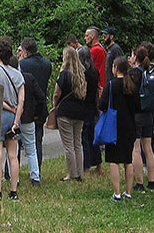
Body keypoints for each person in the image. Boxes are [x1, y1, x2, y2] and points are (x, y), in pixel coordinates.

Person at [0, 38, 25, 200]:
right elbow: (21, 100)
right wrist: (16, 120)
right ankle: (14, 191)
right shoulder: (18, 75)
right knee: (13, 155)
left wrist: (7, 107)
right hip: (13, 119)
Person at [53, 46, 96, 182]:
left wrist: (55, 105)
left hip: (65, 111)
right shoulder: (81, 74)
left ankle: (71, 173)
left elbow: (57, 93)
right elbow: (84, 93)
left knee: (68, 145)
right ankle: (79, 173)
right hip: (80, 111)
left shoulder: (64, 74)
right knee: (78, 143)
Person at [99, 57, 139, 201]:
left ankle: (117, 192)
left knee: (114, 160)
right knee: (128, 160)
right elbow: (137, 106)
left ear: (115, 68)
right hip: (129, 126)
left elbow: (102, 105)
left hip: (113, 126)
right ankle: (128, 192)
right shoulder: (131, 85)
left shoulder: (111, 85)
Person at [18, 37, 52, 179]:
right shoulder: (47, 64)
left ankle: (13, 171)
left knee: (18, 141)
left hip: (25, 107)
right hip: (40, 106)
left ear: (25, 52)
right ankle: (37, 171)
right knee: (37, 140)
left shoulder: (23, 65)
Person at [129, 43, 154, 192]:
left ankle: (139, 182)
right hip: (149, 113)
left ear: (136, 57)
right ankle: (151, 181)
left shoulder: (134, 73)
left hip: (137, 114)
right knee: (148, 148)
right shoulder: (150, 72)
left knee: (136, 149)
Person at [83, 27, 107, 174]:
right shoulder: (102, 50)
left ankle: (87, 164)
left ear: (92, 36)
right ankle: (97, 164)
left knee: (87, 132)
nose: (85, 38)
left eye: (87, 35)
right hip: (97, 89)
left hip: (93, 93)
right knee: (93, 130)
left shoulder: (95, 51)